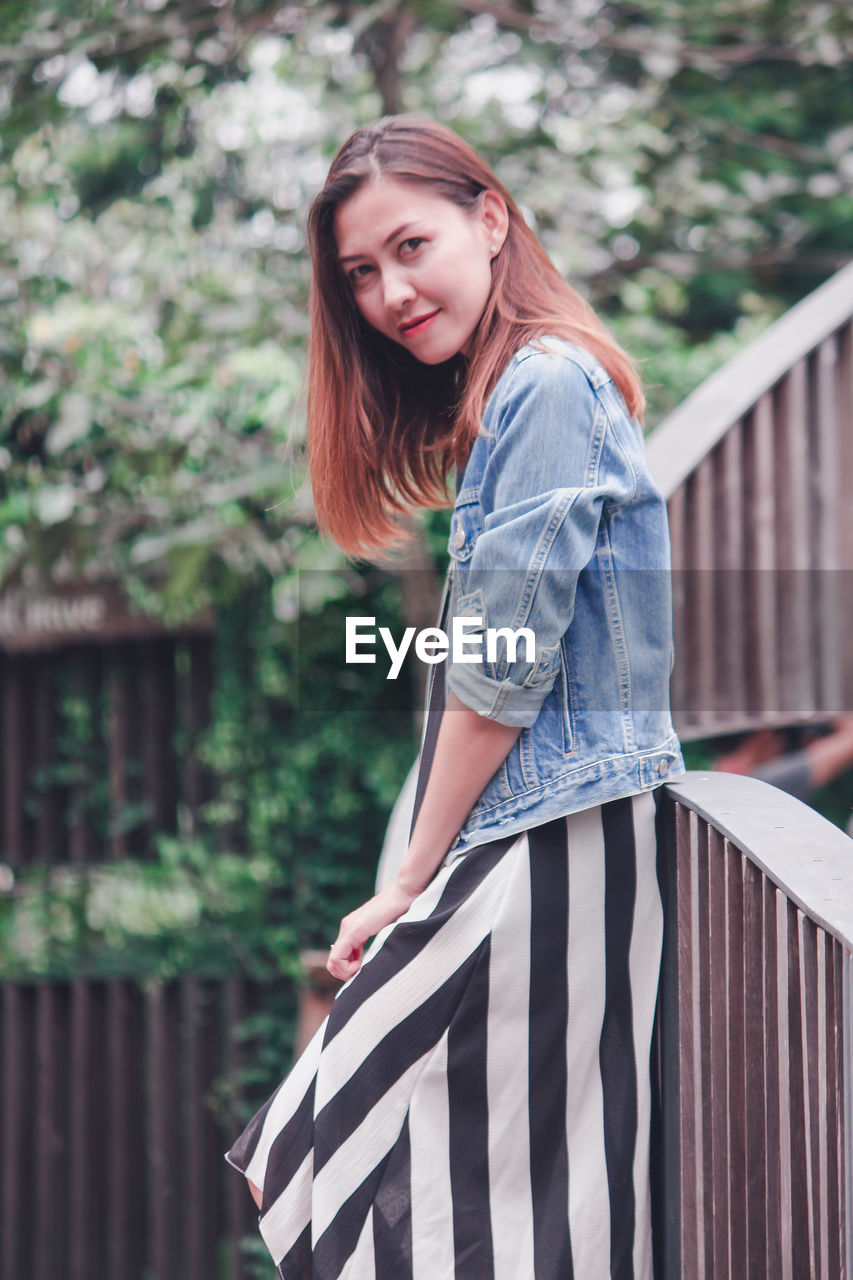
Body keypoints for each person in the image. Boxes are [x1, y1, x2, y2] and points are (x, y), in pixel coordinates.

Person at [224, 114, 685, 1280]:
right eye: (362, 274)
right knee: (516, 1206)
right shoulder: (521, 398)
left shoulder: (543, 384)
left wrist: (407, 880)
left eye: (410, 246)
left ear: (490, 217)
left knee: (349, 1158)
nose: (389, 291)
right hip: (547, 843)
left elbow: (494, 677)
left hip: (552, 847)